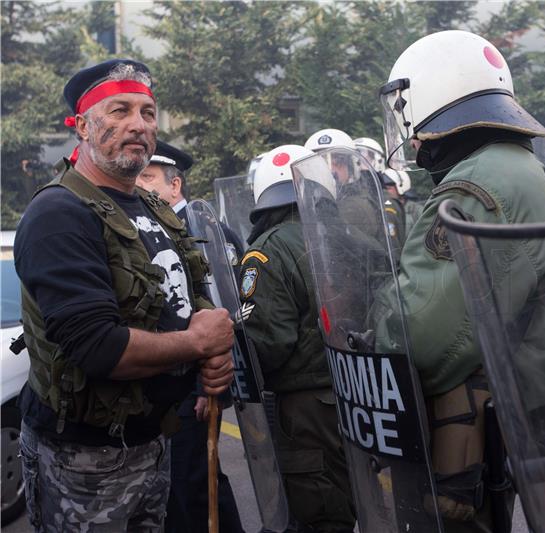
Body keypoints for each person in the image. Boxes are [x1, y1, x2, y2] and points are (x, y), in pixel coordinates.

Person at [14, 58, 234, 532]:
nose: (138, 124)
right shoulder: (60, 213)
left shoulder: (155, 206)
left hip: (153, 441)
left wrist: (211, 344)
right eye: (119, 111)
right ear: (83, 127)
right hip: (84, 460)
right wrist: (199, 344)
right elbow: (97, 347)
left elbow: (185, 295)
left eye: (148, 112)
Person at [378, 30, 545, 532]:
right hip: (503, 427)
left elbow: (423, 339)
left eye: (405, 106)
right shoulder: (514, 167)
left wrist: (378, 312)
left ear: (433, 97)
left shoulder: (476, 186)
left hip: (464, 443)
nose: (406, 124)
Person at [240, 145, 356, 533]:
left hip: (307, 410)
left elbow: (266, 343)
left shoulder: (268, 251)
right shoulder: (354, 240)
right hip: (362, 395)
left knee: (316, 512)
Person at [135, 141, 244, 533]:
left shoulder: (202, 232)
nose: (139, 185)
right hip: (170, 380)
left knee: (194, 481)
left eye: (148, 178)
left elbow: (222, 312)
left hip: (198, 385)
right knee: (181, 482)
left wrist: (205, 385)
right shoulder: (155, 229)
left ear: (175, 186)